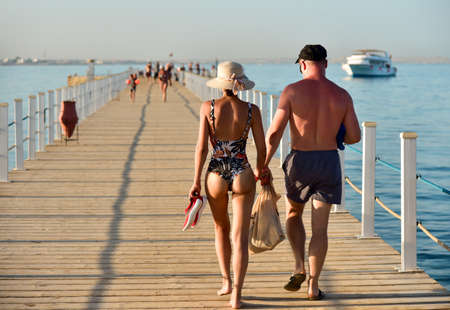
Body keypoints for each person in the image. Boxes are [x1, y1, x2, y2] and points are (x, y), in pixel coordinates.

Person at [264, 45, 361, 300]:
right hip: (328, 161)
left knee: (294, 214)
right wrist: (336, 131)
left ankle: (298, 265)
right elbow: (355, 136)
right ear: (326, 64)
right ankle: (313, 286)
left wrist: (262, 164)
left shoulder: (292, 91)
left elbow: (274, 133)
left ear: (303, 64)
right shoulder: (342, 95)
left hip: (300, 161)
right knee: (320, 230)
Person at [189, 61, 267, 309]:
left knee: (221, 228)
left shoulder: (207, 107)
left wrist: (195, 181)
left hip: (216, 172)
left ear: (220, 83)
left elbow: (201, 148)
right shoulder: (253, 110)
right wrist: (261, 168)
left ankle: (226, 283)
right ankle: (237, 296)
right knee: (240, 237)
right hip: (242, 170)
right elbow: (262, 147)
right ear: (240, 82)